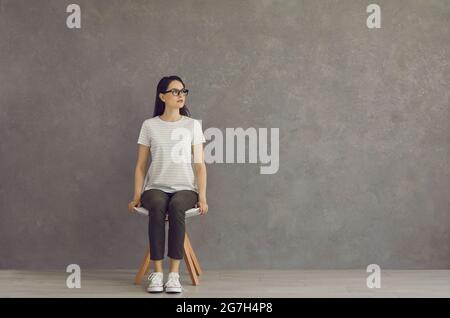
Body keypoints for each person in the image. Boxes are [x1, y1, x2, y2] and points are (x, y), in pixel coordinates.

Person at [128, 75, 208, 293]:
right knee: (156, 205)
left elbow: (200, 166)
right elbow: (141, 166)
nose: (180, 95)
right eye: (175, 91)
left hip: (185, 189)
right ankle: (157, 274)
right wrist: (137, 195)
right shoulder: (150, 126)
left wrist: (202, 196)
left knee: (176, 207)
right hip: (156, 187)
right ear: (162, 96)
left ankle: (173, 275)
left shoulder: (192, 126)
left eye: (183, 91)